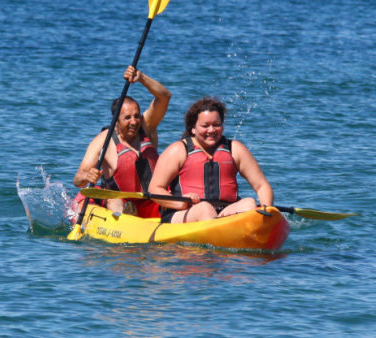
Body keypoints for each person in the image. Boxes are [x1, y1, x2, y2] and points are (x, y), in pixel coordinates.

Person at [147, 96, 273, 223]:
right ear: (193, 128)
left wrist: (266, 209)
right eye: (205, 125)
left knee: (249, 203)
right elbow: (155, 188)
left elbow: (261, 185)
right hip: (183, 213)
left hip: (223, 212)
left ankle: (224, 227)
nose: (212, 130)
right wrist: (180, 203)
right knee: (205, 208)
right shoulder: (178, 150)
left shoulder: (235, 149)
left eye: (217, 125)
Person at [71, 67, 172, 219]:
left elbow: (164, 97)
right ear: (116, 122)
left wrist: (141, 78)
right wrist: (87, 176)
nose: (134, 122)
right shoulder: (104, 140)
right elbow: (77, 179)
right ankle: (124, 221)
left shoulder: (147, 127)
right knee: (114, 200)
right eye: (127, 118)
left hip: (153, 200)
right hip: (120, 201)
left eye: (137, 116)